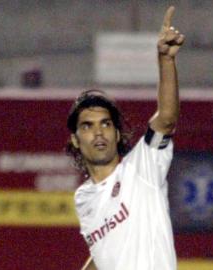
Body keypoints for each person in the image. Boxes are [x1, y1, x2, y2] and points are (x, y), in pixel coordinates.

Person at [65, 6, 184, 270]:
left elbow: (166, 118)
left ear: (117, 133)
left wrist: (166, 60)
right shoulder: (84, 198)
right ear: (75, 140)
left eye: (106, 123)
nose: (98, 132)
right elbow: (104, 251)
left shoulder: (142, 168)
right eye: (87, 126)